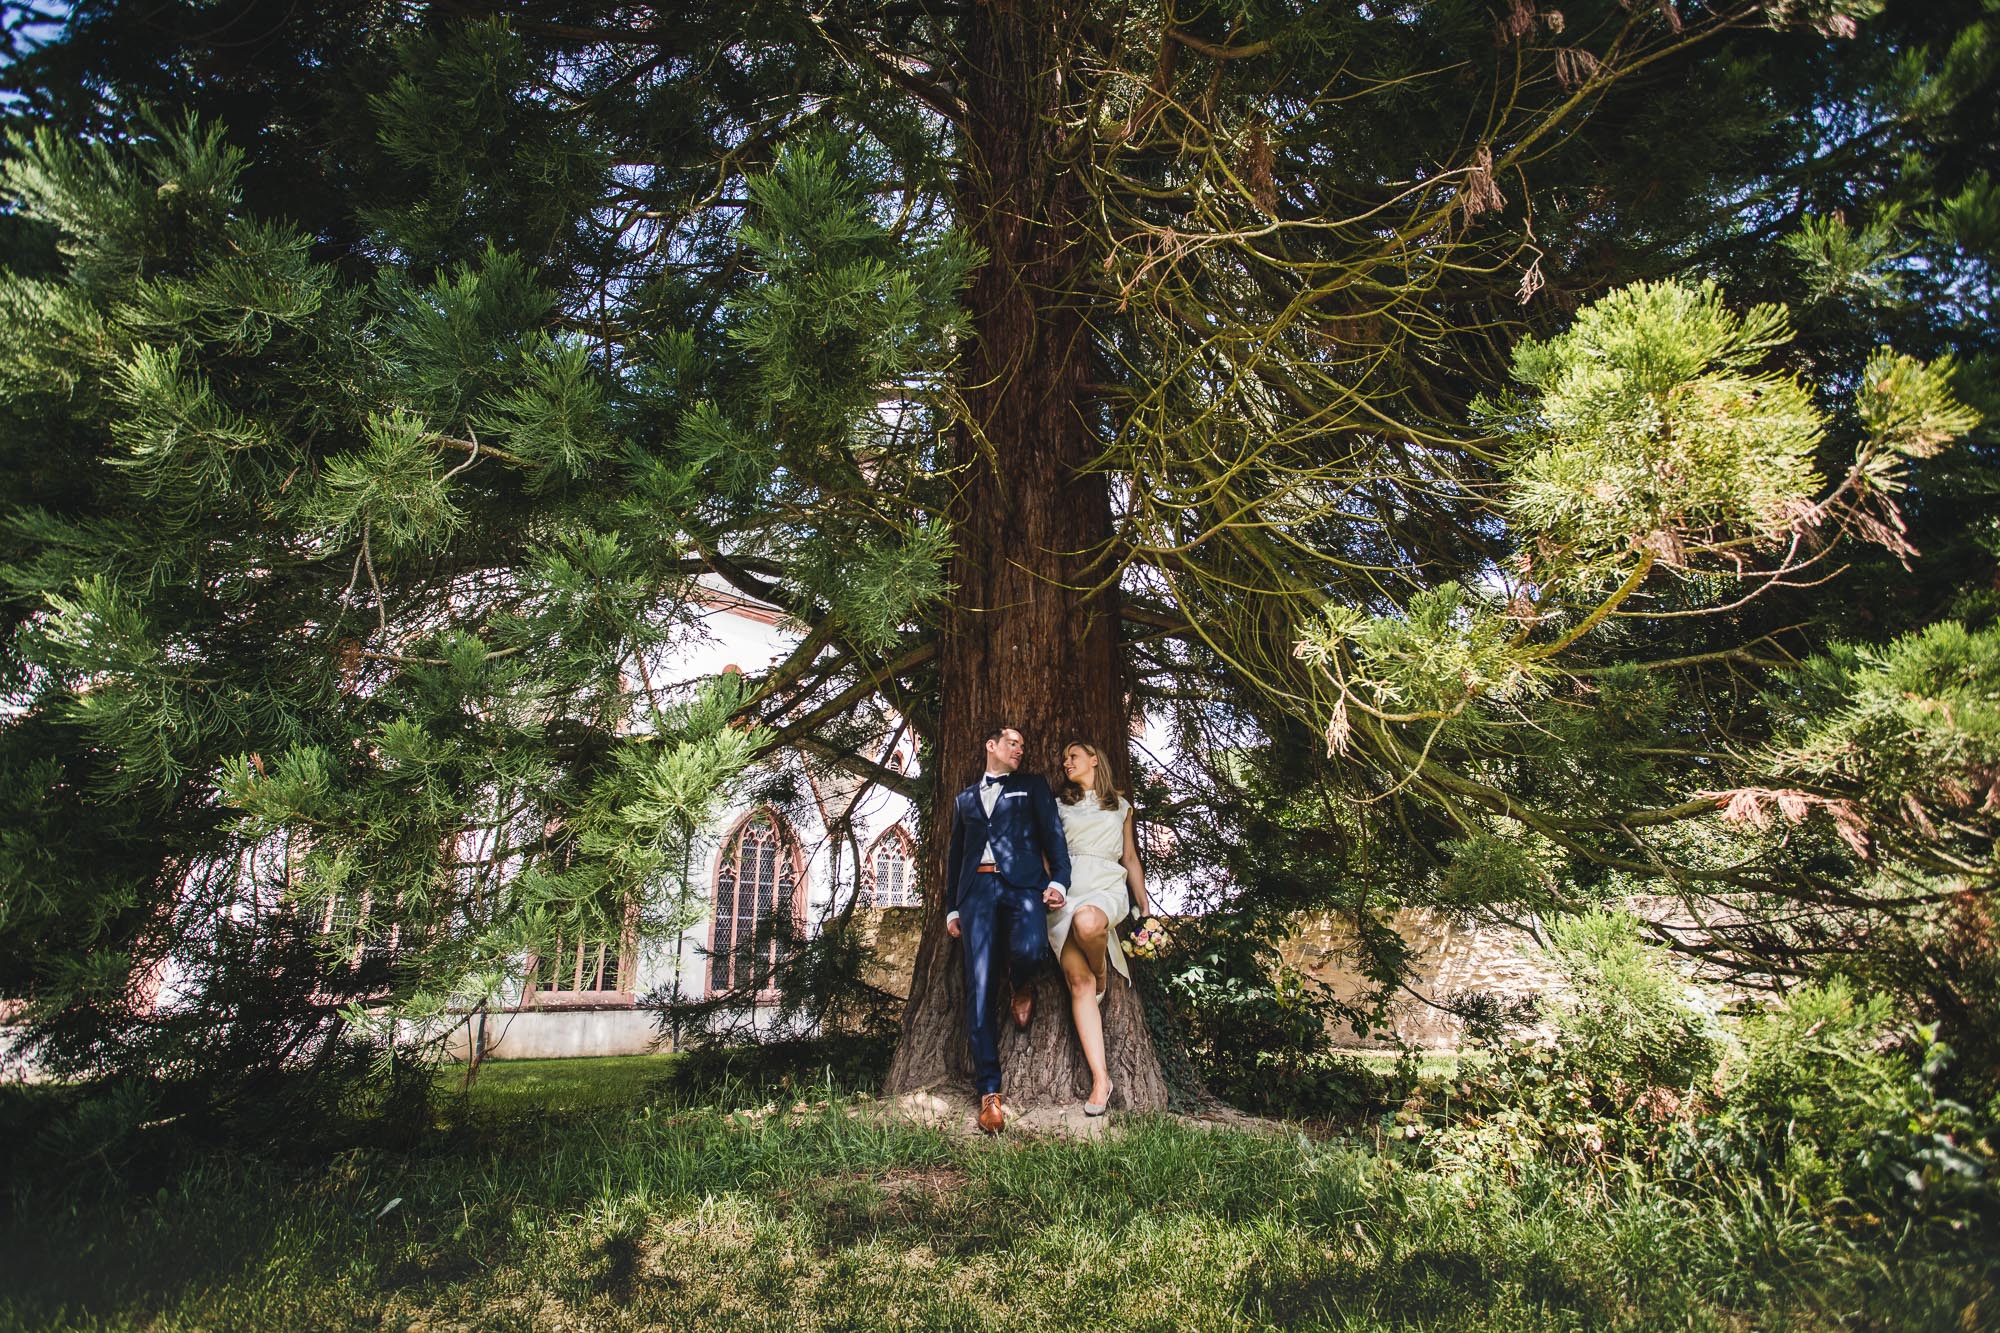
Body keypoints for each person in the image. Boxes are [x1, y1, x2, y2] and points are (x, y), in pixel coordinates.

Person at [944, 724, 1072, 1134]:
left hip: (1022, 887)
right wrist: (951, 907)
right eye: (1013, 743)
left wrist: (1059, 881)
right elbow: (955, 856)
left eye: (1023, 744)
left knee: (1032, 950)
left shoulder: (1032, 786)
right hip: (976, 891)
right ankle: (990, 1094)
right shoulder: (964, 799)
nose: (1019, 749)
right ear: (991, 746)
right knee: (977, 987)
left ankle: (1020, 983)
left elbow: (1054, 837)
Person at [1048, 740, 1153, 1117]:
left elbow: (1130, 857)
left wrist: (1145, 904)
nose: (1066, 763)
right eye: (1063, 760)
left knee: (1089, 922)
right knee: (1079, 985)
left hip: (1106, 883)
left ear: (1094, 758)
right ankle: (1100, 1079)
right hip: (1068, 889)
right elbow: (1048, 853)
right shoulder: (1059, 806)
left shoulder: (1121, 807)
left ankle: (1103, 971)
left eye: (1073, 756)